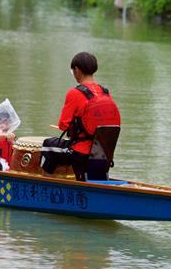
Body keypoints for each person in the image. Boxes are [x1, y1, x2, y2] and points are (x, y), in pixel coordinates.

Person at [52, 52, 121, 181]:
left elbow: (63, 125)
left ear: (77, 70)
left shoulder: (74, 93)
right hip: (103, 154)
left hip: (81, 153)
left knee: (48, 147)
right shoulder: (105, 92)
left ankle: (47, 184)